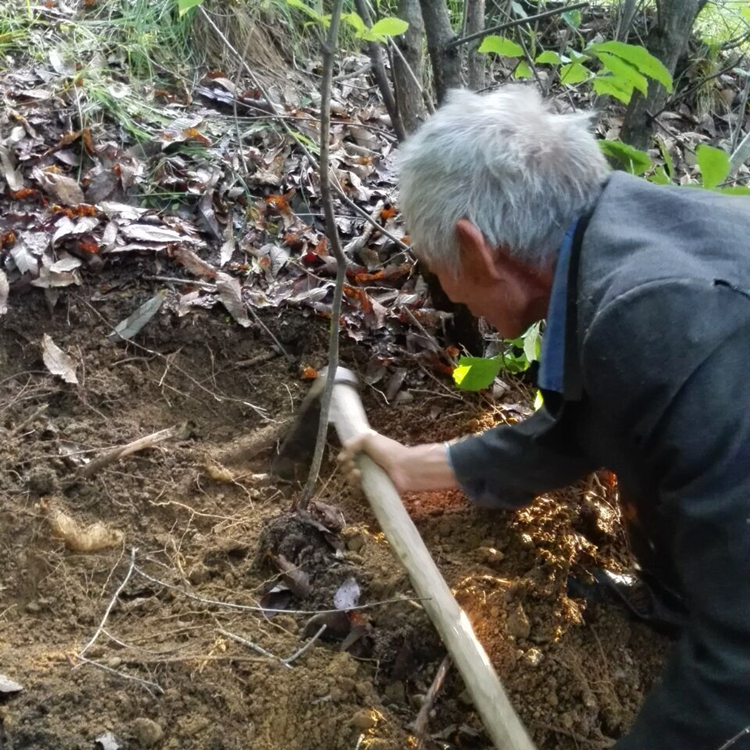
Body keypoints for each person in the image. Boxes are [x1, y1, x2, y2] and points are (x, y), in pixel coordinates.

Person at [338, 86, 750, 749]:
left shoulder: (660, 322)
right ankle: (679, 600)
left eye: (437, 268)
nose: (445, 291)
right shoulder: (626, 243)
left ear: (475, 249)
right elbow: (600, 420)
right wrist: (427, 466)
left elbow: (742, 656)